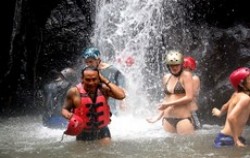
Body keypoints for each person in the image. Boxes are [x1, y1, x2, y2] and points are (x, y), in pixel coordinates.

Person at [61, 66, 126, 145]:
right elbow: (64, 109)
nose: (91, 83)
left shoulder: (103, 89)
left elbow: (121, 95)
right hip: (83, 132)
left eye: (94, 79)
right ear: (82, 79)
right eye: (88, 80)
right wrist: (70, 116)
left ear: (99, 79)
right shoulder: (74, 92)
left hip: (103, 131)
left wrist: (105, 80)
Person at [147, 50, 195, 135]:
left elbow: (189, 97)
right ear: (168, 66)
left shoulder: (186, 75)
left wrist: (168, 104)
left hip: (183, 119)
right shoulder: (166, 77)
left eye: (177, 65)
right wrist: (157, 117)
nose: (174, 67)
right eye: (171, 65)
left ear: (181, 65)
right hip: (167, 119)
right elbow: (167, 99)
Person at [80, 47, 127, 116]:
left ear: (98, 60)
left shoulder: (111, 69)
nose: (88, 64)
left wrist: (123, 101)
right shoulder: (87, 70)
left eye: (91, 62)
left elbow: (122, 83)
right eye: (86, 62)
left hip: (111, 107)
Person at [212, 67, 250, 148]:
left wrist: (219, 113)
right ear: (241, 84)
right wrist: (236, 140)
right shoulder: (245, 98)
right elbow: (231, 117)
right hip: (229, 140)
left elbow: (225, 106)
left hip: (221, 137)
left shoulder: (236, 94)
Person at [183, 56, 201, 129]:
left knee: (195, 129)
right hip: (183, 110)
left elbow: (191, 93)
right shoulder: (183, 78)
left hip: (191, 111)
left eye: (184, 68)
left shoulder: (194, 78)